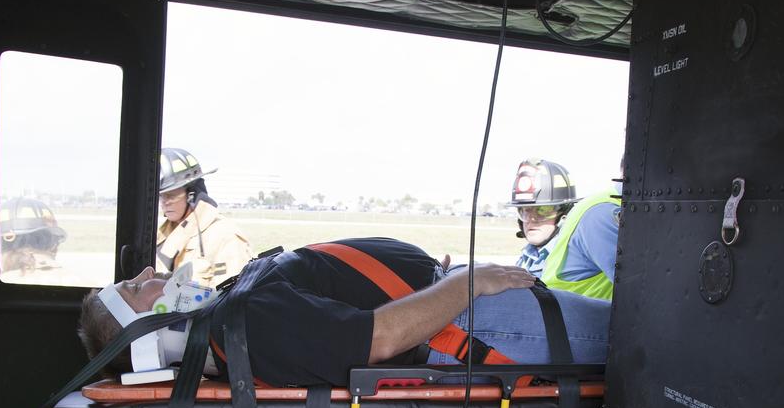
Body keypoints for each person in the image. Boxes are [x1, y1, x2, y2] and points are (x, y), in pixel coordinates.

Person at [79, 237, 610, 387]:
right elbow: (376, 339)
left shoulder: (232, 317)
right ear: (147, 334)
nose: (151, 274)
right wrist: (466, 284)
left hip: (457, 304)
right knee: (649, 342)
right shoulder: (246, 326)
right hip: (472, 322)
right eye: (136, 286)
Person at [509, 158, 620, 300]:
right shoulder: (528, 258)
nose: (531, 219)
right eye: (524, 210)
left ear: (564, 213)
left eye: (543, 210)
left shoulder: (582, 242)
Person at [155, 147, 253, 288]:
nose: (165, 202)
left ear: (192, 193)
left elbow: (230, 300)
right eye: (161, 196)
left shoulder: (225, 236)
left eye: (172, 195)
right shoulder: (163, 235)